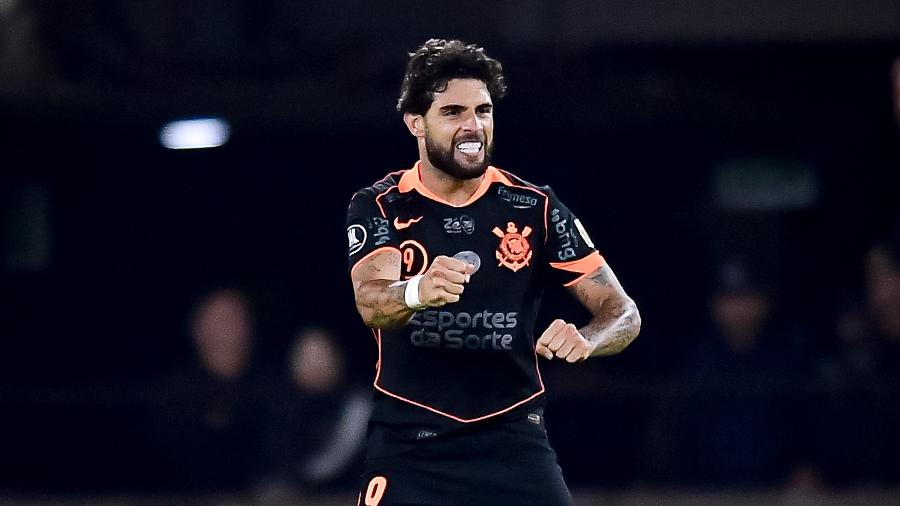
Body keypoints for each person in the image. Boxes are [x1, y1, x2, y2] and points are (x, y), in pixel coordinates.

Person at [345, 39, 641, 505]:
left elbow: (623, 312)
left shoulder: (535, 208)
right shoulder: (381, 204)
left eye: (482, 111)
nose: (473, 126)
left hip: (513, 443)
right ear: (416, 123)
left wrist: (589, 338)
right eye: (453, 112)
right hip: (410, 444)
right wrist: (418, 291)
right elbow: (371, 302)